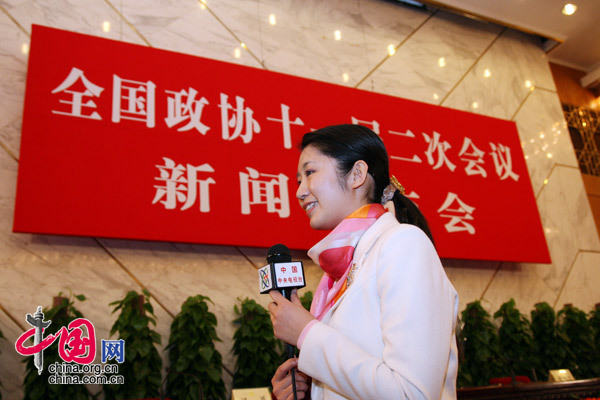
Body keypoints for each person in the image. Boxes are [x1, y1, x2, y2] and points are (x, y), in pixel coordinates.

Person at [268, 124, 459, 400]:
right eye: (299, 179)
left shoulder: (403, 244)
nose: (299, 191)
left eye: (309, 173)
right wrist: (308, 391)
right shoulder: (335, 275)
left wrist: (306, 333)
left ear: (357, 174)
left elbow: (412, 393)